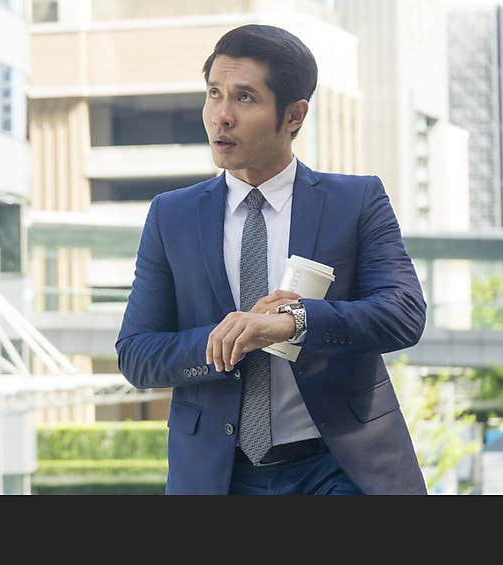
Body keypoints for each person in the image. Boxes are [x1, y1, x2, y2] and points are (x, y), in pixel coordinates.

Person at [115, 24, 427, 495]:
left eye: (244, 98)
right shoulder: (170, 215)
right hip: (219, 475)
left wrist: (294, 322)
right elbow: (137, 354)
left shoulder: (356, 201)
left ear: (294, 115)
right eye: (214, 93)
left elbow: (403, 313)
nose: (221, 116)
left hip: (339, 466)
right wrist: (228, 341)